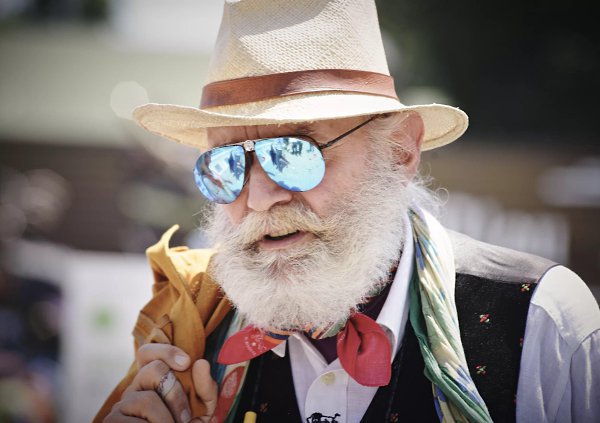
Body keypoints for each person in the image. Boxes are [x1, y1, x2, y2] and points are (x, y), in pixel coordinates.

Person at [96, 0, 600, 422]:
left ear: (399, 151)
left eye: (294, 152)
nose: (259, 197)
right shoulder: (192, 335)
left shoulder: (541, 323)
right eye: (226, 164)